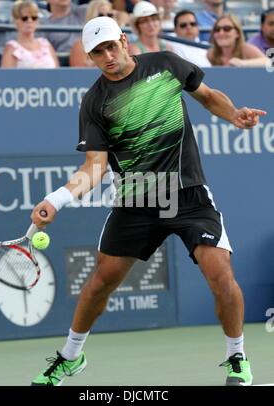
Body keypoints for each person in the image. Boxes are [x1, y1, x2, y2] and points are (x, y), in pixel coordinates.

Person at [29, 16, 266, 386]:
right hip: (135, 201)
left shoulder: (166, 64)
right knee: (101, 282)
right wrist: (56, 200)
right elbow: (94, 167)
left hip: (188, 194)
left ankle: (236, 356)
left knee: (221, 276)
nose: (107, 56)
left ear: (124, 41)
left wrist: (233, 115)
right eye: (97, 52)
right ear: (90, 57)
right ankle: (70, 356)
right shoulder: (95, 102)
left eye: (111, 46)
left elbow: (207, 96)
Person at [0, 0, 59, 69]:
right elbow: (6, 77)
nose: (30, 21)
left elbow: (57, 72)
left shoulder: (46, 44)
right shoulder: (12, 48)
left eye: (34, 18)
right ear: (15, 21)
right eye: (24, 18)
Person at [69, 0, 128, 67]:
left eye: (109, 15)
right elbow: (77, 74)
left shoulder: (121, 40)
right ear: (91, 16)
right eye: (101, 15)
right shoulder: (79, 45)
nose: (106, 18)